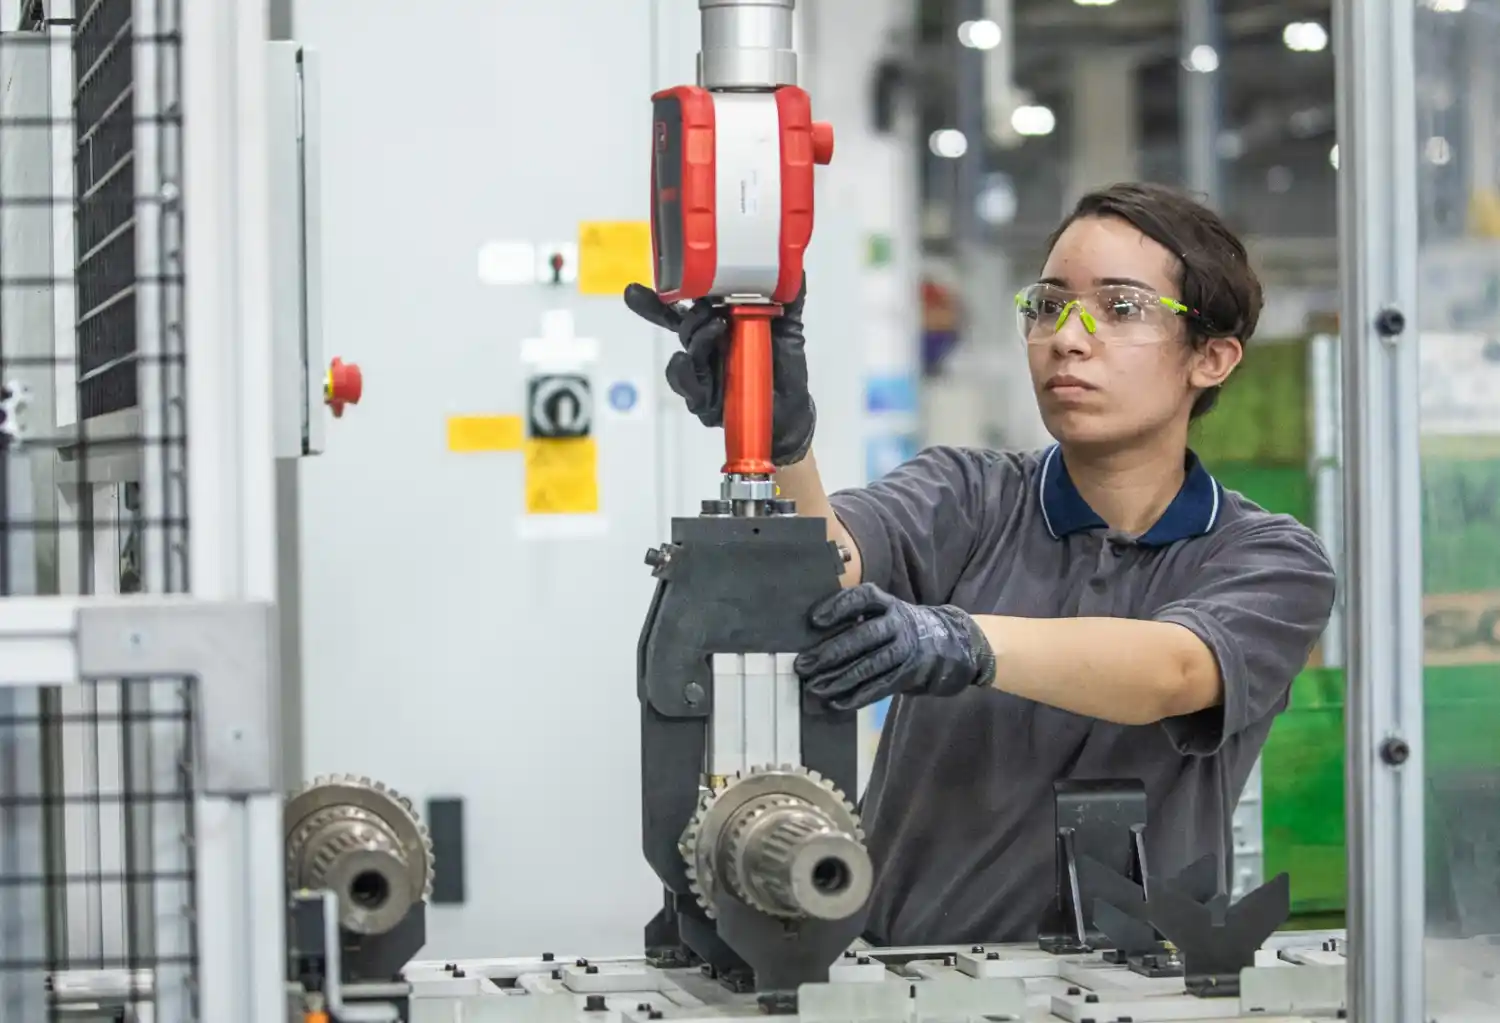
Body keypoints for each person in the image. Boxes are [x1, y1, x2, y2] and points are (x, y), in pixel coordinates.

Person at [623, 181, 1337, 946]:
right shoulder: (969, 496)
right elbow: (824, 570)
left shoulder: (1268, 558)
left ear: (1213, 357)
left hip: (1137, 992)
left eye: (1121, 308)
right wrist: (783, 439)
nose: (1069, 335)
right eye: (1049, 305)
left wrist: (959, 642)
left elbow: (1174, 671)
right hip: (908, 979)